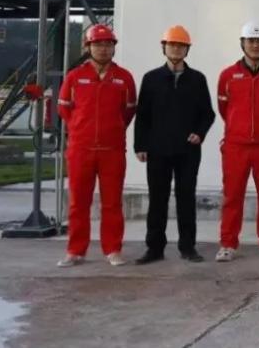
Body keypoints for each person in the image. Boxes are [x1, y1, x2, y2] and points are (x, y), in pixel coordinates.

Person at [56, 24, 137, 267]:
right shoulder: (74, 77)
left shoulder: (124, 78)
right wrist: (80, 129)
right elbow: (64, 109)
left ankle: (113, 249)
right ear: (88, 47)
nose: (103, 49)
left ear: (114, 48)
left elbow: (128, 111)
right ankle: (75, 251)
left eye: (108, 44)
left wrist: (112, 129)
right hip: (81, 150)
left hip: (112, 150)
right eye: (98, 44)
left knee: (112, 203)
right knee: (78, 202)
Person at [134, 25, 215, 265]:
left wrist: (199, 133)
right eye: (172, 45)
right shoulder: (151, 79)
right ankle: (154, 248)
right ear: (164, 47)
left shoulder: (197, 79)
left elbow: (207, 113)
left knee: (186, 198)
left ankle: (188, 247)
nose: (176, 49)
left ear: (187, 50)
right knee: (157, 200)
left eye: (181, 46)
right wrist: (140, 145)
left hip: (187, 151)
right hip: (158, 150)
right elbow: (142, 115)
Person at [215, 21, 259, 262]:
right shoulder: (228, 75)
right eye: (251, 41)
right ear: (242, 43)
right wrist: (239, 128)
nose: (255, 45)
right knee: (232, 196)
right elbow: (224, 108)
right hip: (236, 147)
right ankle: (227, 243)